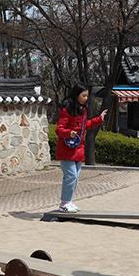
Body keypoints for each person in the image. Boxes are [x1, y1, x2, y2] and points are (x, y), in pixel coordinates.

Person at [53, 83, 108, 212]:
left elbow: (84, 126)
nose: (86, 98)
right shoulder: (67, 110)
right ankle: (64, 204)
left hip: (78, 149)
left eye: (87, 96)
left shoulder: (82, 110)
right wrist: (68, 133)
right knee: (71, 176)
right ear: (76, 95)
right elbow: (59, 129)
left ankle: (68, 201)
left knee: (75, 177)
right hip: (67, 149)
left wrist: (98, 119)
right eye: (83, 95)